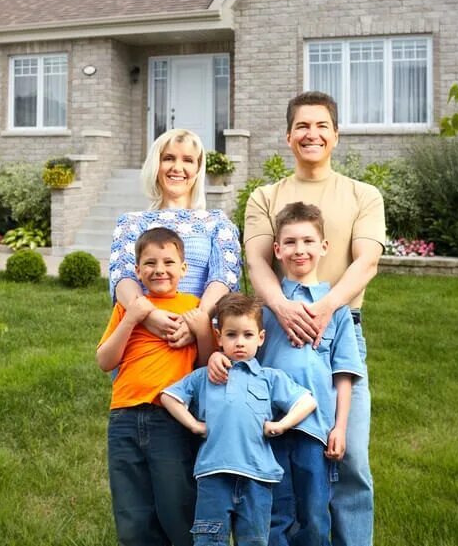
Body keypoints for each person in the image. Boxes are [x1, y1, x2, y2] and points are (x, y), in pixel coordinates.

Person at [210, 91, 384, 546]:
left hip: (341, 333)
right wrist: (284, 310)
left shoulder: (363, 195)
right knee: (275, 453)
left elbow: (365, 262)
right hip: (276, 338)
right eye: (303, 126)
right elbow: (257, 262)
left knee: (349, 460)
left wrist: (325, 310)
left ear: (336, 134)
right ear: (288, 136)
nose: (312, 134)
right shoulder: (265, 196)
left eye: (322, 125)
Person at [161, 293, 316, 546]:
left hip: (257, 477)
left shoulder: (269, 378)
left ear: (261, 338)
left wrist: (281, 425)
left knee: (253, 541)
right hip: (213, 474)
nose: (240, 342)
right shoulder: (205, 377)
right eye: (231, 335)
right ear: (219, 337)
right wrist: (193, 424)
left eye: (248, 335)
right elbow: (169, 396)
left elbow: (306, 401)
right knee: (208, 540)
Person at [257, 202, 364, 546]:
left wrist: (341, 427)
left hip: (316, 431)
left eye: (307, 241)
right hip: (268, 429)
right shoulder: (265, 310)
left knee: (316, 516)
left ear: (324, 247)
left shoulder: (337, 311)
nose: (299, 250)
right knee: (274, 514)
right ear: (277, 250)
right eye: (289, 242)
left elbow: (343, 375)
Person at [97, 227, 211, 546]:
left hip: (171, 420)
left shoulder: (193, 306)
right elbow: (105, 361)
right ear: (137, 271)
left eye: (168, 262)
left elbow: (205, 369)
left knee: (177, 505)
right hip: (124, 417)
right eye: (149, 263)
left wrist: (202, 331)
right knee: (133, 513)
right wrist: (131, 319)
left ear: (184, 268)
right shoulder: (129, 308)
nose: (159, 269)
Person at [109, 128, 241, 358]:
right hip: (145, 342)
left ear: (198, 169)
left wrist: (195, 323)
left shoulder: (217, 223)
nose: (177, 168)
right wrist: (150, 317)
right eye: (168, 158)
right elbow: (123, 277)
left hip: (202, 342)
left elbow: (223, 278)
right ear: (155, 165)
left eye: (188, 160)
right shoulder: (131, 223)